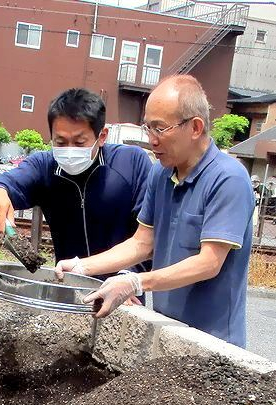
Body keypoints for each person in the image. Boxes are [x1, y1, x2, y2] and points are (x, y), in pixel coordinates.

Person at [56, 75, 254, 349]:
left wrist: (135, 282)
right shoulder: (161, 174)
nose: (152, 140)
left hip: (215, 343)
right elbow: (142, 243)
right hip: (169, 332)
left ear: (195, 127)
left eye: (160, 129)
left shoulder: (229, 178)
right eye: (148, 128)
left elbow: (209, 262)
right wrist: (81, 266)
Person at [0, 88, 153, 270]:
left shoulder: (132, 163)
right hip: (67, 283)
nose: (70, 151)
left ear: (102, 136)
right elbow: (6, 183)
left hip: (124, 289)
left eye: (79, 143)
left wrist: (129, 279)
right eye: (61, 142)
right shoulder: (45, 166)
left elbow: (149, 236)